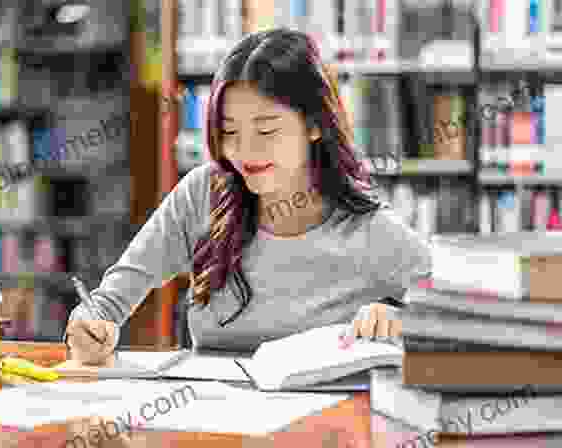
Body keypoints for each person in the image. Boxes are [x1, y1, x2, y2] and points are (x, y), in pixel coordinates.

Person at [65, 28, 432, 365]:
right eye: (229, 132)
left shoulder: (370, 229)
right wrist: (89, 325)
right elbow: (106, 304)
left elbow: (462, 321)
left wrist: (401, 322)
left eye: (266, 130)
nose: (245, 152)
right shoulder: (202, 194)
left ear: (315, 124)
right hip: (211, 419)